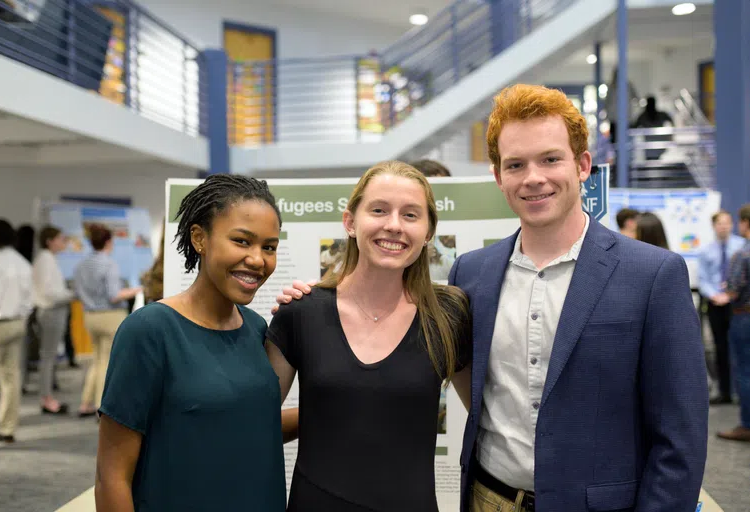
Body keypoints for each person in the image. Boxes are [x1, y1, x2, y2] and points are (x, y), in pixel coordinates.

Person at [451, 84, 706, 511]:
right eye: (516, 164)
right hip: (488, 499)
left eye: (551, 159)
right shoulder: (472, 273)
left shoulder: (653, 275)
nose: (534, 178)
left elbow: (680, 435)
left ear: (583, 165)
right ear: (499, 177)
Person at [266, 161, 471, 512]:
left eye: (410, 215)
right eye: (379, 210)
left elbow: (485, 419)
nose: (393, 225)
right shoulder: (301, 312)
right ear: (350, 222)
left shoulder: (448, 317)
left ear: (428, 233)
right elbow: (254, 422)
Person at [95, 174, 288, 511]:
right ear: (200, 238)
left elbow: (250, 423)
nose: (258, 259)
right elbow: (112, 475)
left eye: (269, 247)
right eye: (242, 241)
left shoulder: (256, 328)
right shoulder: (150, 330)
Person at [73, 224, 141, 417]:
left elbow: (77, 293)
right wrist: (136, 290)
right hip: (110, 316)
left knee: (96, 360)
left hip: (89, 316)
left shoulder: (81, 265)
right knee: (107, 363)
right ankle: (100, 406)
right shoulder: (109, 264)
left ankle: (85, 403)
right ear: (109, 242)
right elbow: (114, 295)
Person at [0, 218, 32, 447]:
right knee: (11, 378)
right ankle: (8, 429)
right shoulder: (23, 263)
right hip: (18, 324)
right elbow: (29, 301)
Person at [698, 209, 746, 405]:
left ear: (732, 224)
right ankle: (724, 391)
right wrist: (715, 295)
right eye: (720, 223)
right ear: (714, 226)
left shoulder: (742, 246)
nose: (724, 226)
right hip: (716, 303)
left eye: (727, 222)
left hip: (738, 304)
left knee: (740, 349)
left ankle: (740, 392)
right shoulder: (706, 250)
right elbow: (703, 279)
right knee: (719, 348)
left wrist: (730, 295)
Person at [32, 225, 74, 414]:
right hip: (51, 311)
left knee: (48, 356)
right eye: (59, 238)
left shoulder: (47, 259)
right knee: (48, 357)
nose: (63, 242)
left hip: (52, 311)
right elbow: (49, 292)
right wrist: (70, 294)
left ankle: (47, 396)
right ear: (49, 241)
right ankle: (46, 398)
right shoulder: (46, 260)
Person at [718, 203, 750, 442]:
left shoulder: (743, 254)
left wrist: (725, 290)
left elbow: (734, 288)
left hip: (744, 316)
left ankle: (747, 425)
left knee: (745, 371)